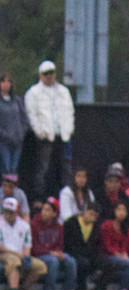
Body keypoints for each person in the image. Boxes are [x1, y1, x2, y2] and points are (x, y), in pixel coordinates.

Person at [24, 60, 75, 199]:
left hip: (63, 135)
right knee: (43, 167)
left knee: (66, 167)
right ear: (40, 75)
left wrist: (68, 130)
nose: (49, 76)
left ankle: (67, 196)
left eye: (51, 73)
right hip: (46, 136)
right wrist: (40, 132)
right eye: (46, 73)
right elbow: (32, 115)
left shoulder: (63, 91)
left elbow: (69, 111)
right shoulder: (33, 92)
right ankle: (39, 197)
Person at [30, 196, 76, 290]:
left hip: (53, 253)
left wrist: (59, 252)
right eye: (43, 209)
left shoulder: (59, 226)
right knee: (53, 261)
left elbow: (60, 245)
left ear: (55, 213)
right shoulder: (34, 224)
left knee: (71, 261)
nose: (44, 212)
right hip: (39, 255)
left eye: (48, 210)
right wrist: (51, 253)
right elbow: (34, 248)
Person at [97, 200, 129, 290]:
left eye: (124, 210)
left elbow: (123, 244)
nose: (121, 212)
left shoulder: (124, 226)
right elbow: (107, 245)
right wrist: (118, 254)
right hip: (109, 255)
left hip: (120, 255)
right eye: (119, 209)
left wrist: (124, 254)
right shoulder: (107, 225)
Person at [0, 196, 46, 290]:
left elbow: (27, 245)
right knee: (14, 260)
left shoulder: (24, 226)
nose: (8, 214)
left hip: (20, 255)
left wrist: (25, 255)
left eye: (11, 211)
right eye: (6, 211)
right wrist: (16, 253)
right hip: (4, 254)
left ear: (17, 212)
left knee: (41, 266)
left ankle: (23, 289)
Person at [63, 201, 100, 290]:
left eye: (95, 216)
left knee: (106, 263)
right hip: (72, 253)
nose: (92, 217)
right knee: (83, 263)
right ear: (85, 212)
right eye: (90, 214)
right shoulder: (71, 223)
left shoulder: (96, 227)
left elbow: (95, 245)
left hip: (88, 254)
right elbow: (67, 243)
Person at [0, 73, 29, 177]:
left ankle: (12, 192)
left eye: (8, 81)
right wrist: (6, 136)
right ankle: (4, 192)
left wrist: (21, 133)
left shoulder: (17, 100)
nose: (6, 84)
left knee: (14, 169)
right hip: (4, 142)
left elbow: (25, 119)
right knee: (6, 169)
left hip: (18, 141)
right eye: (3, 81)